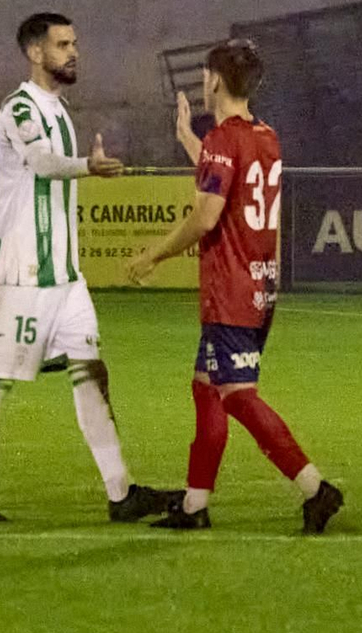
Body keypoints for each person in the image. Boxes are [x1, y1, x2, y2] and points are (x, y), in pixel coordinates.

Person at [0, 12, 178, 523]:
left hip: (64, 276)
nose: (74, 52)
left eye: (75, 43)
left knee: (91, 370)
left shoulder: (59, 108)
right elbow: (44, 163)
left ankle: (121, 492)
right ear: (35, 52)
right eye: (63, 44)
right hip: (23, 273)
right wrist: (87, 167)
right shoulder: (19, 109)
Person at [128, 39, 343, 532]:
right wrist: (187, 136)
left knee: (239, 395)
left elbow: (205, 217)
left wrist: (152, 255)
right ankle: (194, 505)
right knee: (207, 388)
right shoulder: (265, 136)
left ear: (214, 81)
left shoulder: (227, 139)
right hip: (259, 285)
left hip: (231, 291)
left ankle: (315, 488)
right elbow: (222, 173)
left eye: (206, 76)